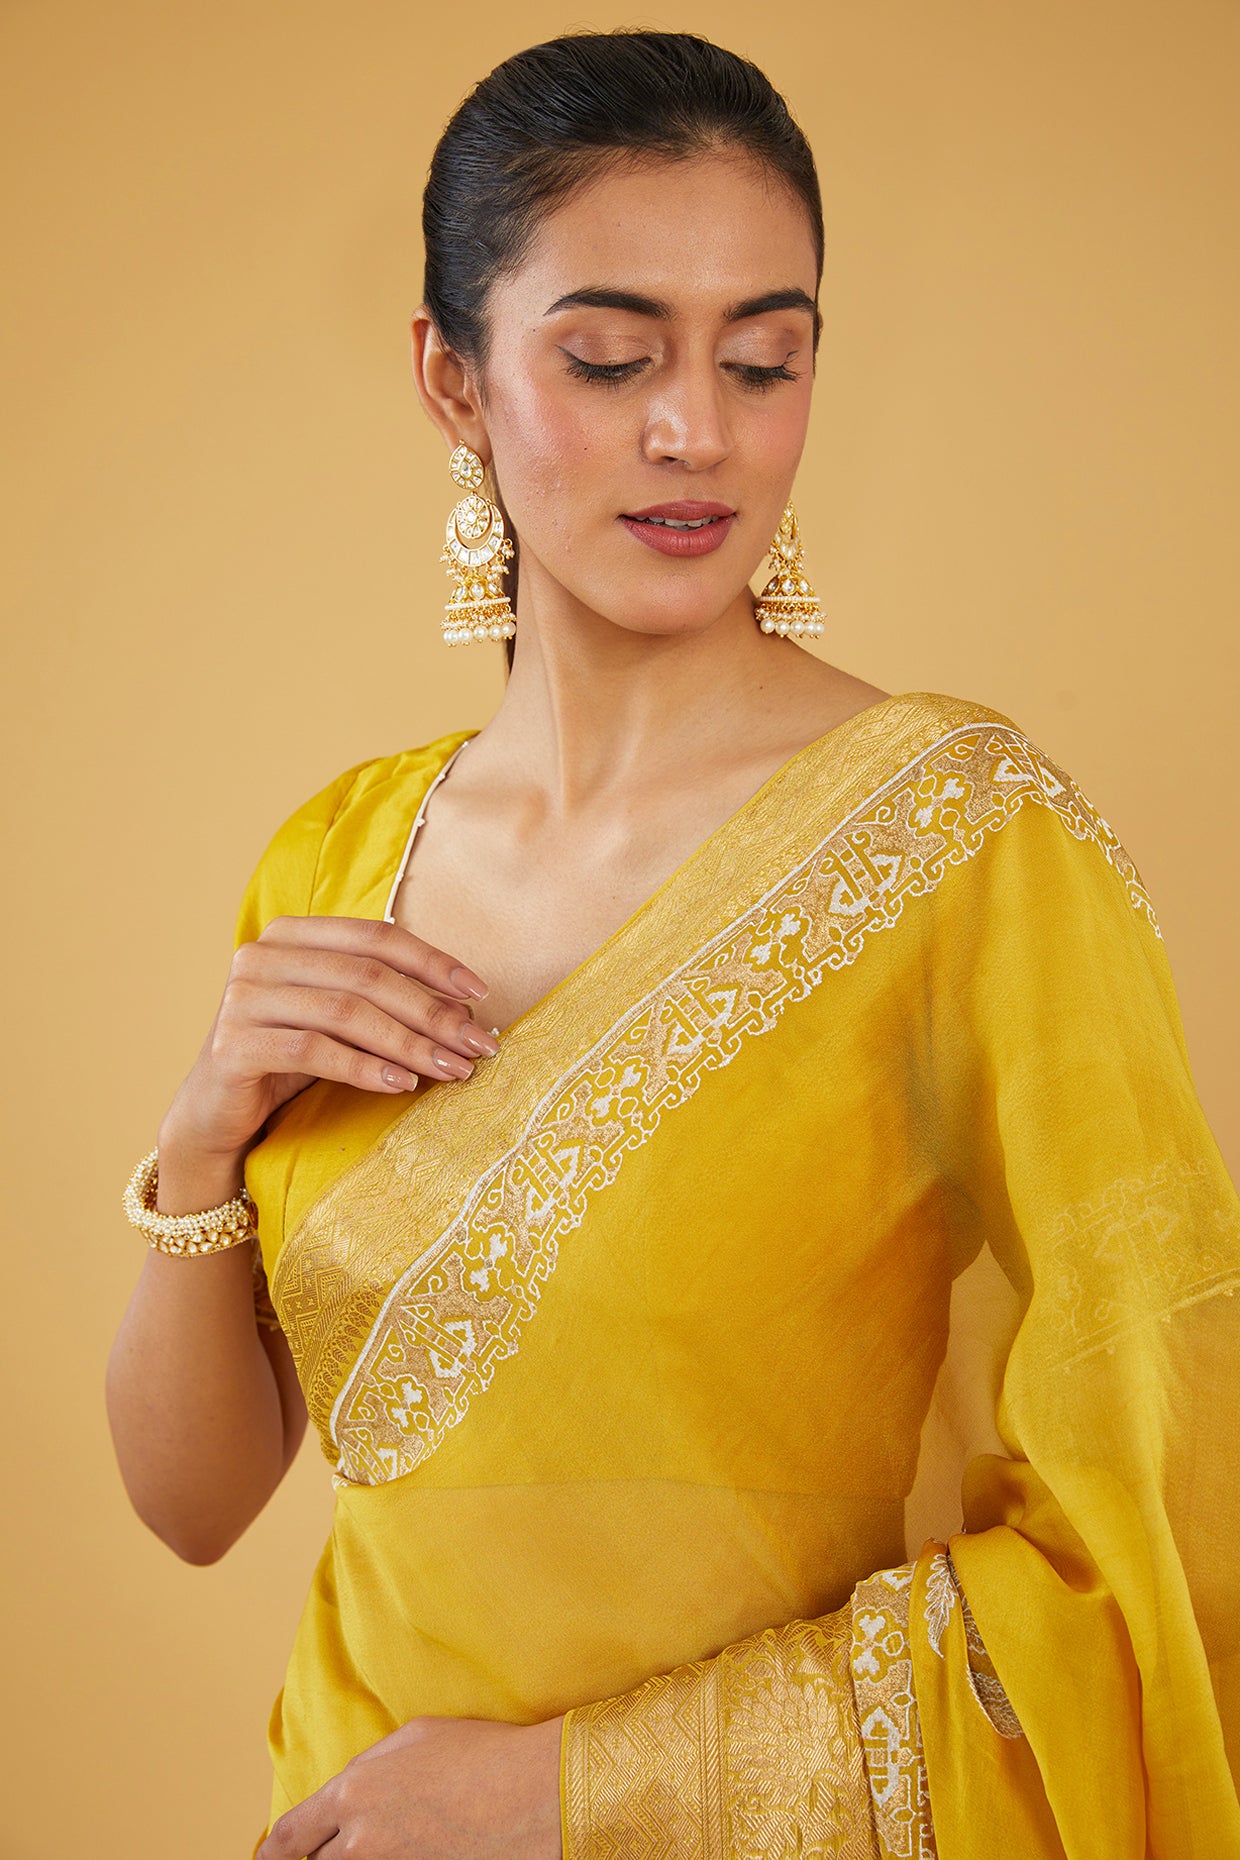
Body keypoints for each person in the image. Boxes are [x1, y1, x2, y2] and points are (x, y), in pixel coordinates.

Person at [106, 28, 1240, 1860]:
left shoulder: (963, 844)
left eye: (763, 359)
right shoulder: (341, 858)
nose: (696, 430)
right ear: (453, 379)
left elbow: (1166, 1523)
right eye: (611, 357)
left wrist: (560, 1795)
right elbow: (196, 1504)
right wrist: (198, 1145)